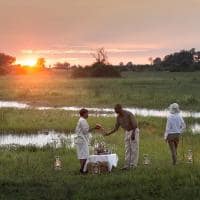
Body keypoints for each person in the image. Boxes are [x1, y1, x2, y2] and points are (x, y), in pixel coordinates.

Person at [104, 104, 139, 170]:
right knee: (127, 149)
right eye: (115, 110)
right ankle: (126, 166)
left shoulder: (128, 114)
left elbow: (135, 124)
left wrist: (133, 133)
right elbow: (116, 128)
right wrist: (108, 133)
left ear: (120, 109)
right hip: (127, 132)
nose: (115, 111)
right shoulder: (118, 117)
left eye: (116, 110)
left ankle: (133, 166)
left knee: (134, 149)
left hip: (134, 130)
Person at [75, 108, 100, 174]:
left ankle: (82, 169)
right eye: (87, 113)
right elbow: (86, 131)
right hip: (82, 140)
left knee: (81, 155)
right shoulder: (83, 120)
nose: (88, 114)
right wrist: (95, 128)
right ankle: (83, 170)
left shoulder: (81, 120)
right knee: (84, 155)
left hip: (80, 140)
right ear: (83, 114)